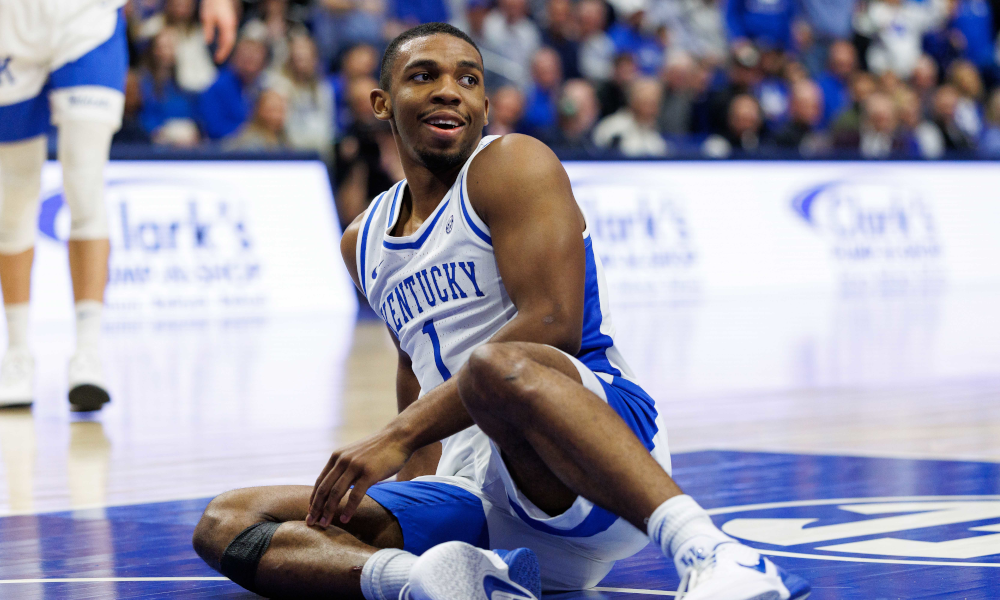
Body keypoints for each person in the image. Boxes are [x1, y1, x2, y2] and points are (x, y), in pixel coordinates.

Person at [192, 22, 811, 600]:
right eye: (424, 76)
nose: (450, 92)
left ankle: (713, 550)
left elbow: (552, 325)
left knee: (495, 365)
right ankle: (439, 583)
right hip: (481, 497)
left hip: (589, 461)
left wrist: (395, 435)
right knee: (228, 521)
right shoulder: (364, 239)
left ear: (486, 107)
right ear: (381, 104)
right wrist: (412, 491)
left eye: (468, 79)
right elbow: (414, 370)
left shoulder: (512, 165)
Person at [0, 0, 236, 410]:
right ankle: (17, 354)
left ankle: (88, 353)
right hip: (11, 24)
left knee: (85, 179)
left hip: (86, 19)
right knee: (13, 195)